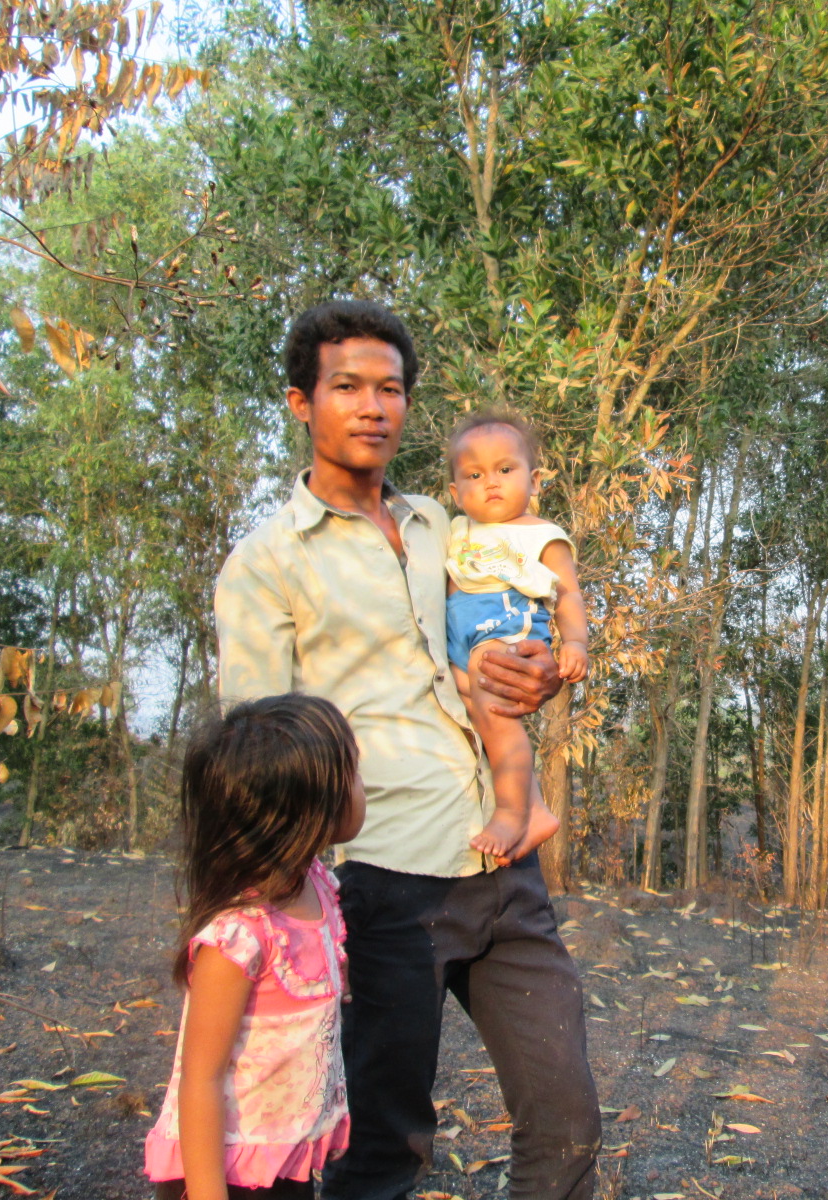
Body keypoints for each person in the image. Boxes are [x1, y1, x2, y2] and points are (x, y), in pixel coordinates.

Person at [214, 299, 601, 1200]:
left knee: (567, 1116)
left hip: (503, 858)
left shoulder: (448, 524)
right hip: (381, 877)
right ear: (300, 403)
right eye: (347, 386)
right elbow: (259, 748)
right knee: (387, 1144)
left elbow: (510, 630)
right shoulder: (267, 562)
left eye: (391, 388)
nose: (374, 406)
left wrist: (533, 670)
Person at [144, 693, 366, 1200]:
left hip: (283, 1159)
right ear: (308, 808)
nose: (362, 786)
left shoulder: (318, 885)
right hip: (225, 1173)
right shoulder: (239, 937)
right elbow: (199, 1079)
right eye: (351, 774)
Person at [445, 409, 589, 859]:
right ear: (455, 491)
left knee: (492, 699)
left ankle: (510, 813)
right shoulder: (456, 529)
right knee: (472, 704)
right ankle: (537, 808)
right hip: (459, 632)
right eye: (474, 474)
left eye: (505, 470)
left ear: (535, 480)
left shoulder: (541, 534)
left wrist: (576, 643)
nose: (491, 482)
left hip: (504, 622)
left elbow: (567, 595)